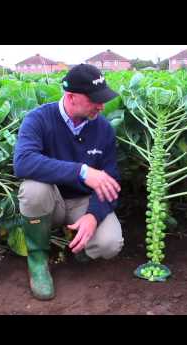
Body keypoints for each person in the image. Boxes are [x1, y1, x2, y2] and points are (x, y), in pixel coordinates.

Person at [13, 64, 124, 300]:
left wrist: (94, 216)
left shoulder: (103, 128)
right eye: (95, 99)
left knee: (110, 243)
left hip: (82, 202)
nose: (101, 106)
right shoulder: (39, 119)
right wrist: (81, 172)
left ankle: (80, 246)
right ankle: (38, 260)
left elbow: (111, 179)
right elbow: (23, 162)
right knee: (33, 189)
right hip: (49, 201)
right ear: (71, 97)